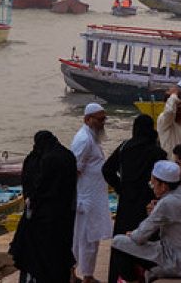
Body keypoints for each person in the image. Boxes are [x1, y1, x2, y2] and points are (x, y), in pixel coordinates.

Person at [108, 160, 181, 282]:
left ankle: (133, 280)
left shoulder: (167, 203)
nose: (152, 187)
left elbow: (139, 237)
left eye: (153, 184)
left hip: (177, 263)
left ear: (163, 186)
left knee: (118, 242)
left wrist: (132, 235)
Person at [102, 114, 167, 281]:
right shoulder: (156, 151)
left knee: (121, 243)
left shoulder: (124, 147)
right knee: (147, 242)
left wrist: (120, 187)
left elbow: (107, 169)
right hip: (148, 202)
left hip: (126, 202)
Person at [10, 131, 78, 283]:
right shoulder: (67, 156)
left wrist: (31, 200)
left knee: (36, 258)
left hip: (41, 219)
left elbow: (35, 188)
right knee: (59, 256)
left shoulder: (40, 159)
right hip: (64, 216)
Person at [71, 103, 113, 283]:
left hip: (94, 198)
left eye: (104, 119)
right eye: (100, 119)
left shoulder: (92, 137)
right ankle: (72, 274)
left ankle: (88, 275)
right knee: (80, 239)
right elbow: (74, 170)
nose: (103, 122)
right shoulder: (84, 140)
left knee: (92, 238)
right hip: (86, 199)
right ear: (87, 120)